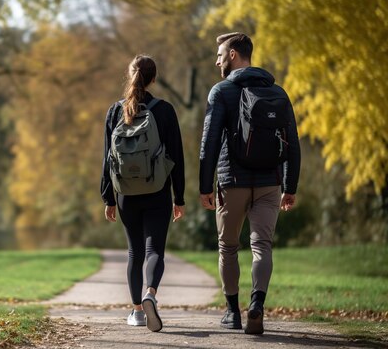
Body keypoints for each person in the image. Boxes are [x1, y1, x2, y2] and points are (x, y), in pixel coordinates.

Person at [199, 32, 301, 334]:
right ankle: (257, 303)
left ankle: (232, 312)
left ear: (233, 55)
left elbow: (209, 142)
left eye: (220, 54)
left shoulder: (221, 91)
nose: (217, 60)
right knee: (262, 246)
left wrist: (205, 186)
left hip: (232, 182)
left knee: (228, 248)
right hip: (270, 183)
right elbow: (292, 144)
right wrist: (290, 186)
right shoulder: (279, 93)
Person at [101, 55, 186, 332]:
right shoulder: (164, 110)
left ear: (130, 75)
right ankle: (151, 292)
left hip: (125, 193)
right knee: (153, 250)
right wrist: (179, 197)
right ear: (154, 78)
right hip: (158, 190)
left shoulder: (115, 111)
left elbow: (107, 158)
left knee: (134, 252)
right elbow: (176, 156)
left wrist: (108, 197)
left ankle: (137, 312)